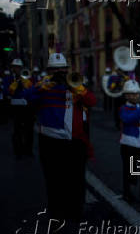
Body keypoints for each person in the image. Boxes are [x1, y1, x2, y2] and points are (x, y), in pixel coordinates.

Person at [26, 53, 97, 221]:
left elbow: (92, 101)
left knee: (77, 179)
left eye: (62, 69)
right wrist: (40, 87)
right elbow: (25, 97)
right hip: (50, 142)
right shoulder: (42, 86)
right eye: (54, 69)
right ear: (48, 71)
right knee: (53, 179)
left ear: (67, 69)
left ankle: (75, 212)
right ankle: (57, 213)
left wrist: (78, 88)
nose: (59, 72)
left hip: (75, 142)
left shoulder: (76, 84)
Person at [119, 79, 140, 205]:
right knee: (128, 172)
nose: (135, 96)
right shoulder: (123, 108)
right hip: (128, 145)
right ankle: (127, 194)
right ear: (126, 95)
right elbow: (128, 119)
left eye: (137, 94)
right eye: (132, 94)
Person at [8, 59, 35, 159]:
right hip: (16, 108)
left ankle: (28, 150)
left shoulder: (28, 78)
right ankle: (18, 151)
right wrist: (16, 83)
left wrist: (25, 83)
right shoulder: (9, 78)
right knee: (17, 131)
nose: (17, 69)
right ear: (12, 68)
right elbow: (8, 91)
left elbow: (32, 91)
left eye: (18, 67)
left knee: (29, 130)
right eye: (15, 67)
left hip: (27, 107)